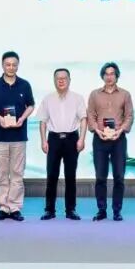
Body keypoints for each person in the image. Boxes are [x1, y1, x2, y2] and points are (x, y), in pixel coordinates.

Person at [0, 51, 35, 221]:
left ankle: (15, 207)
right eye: (8, 64)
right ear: (2, 65)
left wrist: (22, 118)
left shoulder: (25, 85)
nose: (11, 67)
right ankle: (3, 207)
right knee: (2, 174)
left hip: (19, 137)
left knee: (17, 173)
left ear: (18, 66)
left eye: (14, 64)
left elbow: (31, 105)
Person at [37, 68, 87, 220]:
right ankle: (49, 210)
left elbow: (83, 119)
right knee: (51, 175)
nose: (61, 80)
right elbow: (42, 121)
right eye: (58, 78)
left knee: (70, 176)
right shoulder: (48, 99)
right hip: (53, 139)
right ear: (54, 80)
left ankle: (71, 210)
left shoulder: (78, 98)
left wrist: (82, 139)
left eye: (64, 78)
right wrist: (43, 140)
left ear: (69, 80)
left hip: (72, 139)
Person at [87, 61, 134, 221]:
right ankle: (101, 210)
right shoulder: (94, 94)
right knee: (100, 177)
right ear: (102, 76)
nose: (109, 77)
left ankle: (116, 211)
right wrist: (97, 130)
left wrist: (121, 130)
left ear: (117, 76)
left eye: (112, 74)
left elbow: (129, 116)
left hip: (118, 139)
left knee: (119, 177)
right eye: (106, 74)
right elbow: (91, 115)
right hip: (99, 139)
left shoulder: (125, 94)